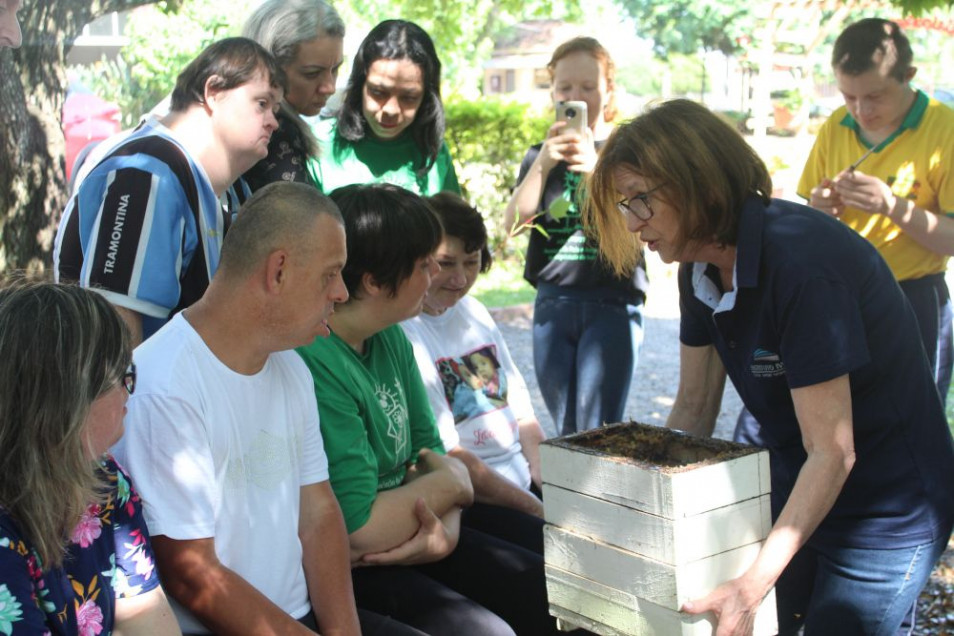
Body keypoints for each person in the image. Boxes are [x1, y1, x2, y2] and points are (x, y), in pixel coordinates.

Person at [584, 98, 954, 634]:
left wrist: (753, 582)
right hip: (799, 484)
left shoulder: (802, 265)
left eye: (641, 200)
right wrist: (645, 513)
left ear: (701, 184)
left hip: (889, 510)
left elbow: (834, 451)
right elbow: (693, 406)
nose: (633, 222)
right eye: (625, 205)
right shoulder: (700, 269)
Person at [114, 183, 397, 635]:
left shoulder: (290, 366)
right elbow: (192, 574)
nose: (342, 292)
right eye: (331, 274)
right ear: (278, 271)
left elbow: (318, 513)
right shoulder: (165, 384)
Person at [297, 183, 560, 635]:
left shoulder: (389, 335)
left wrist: (446, 531)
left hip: (421, 526)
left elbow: (431, 453)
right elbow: (361, 530)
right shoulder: (317, 361)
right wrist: (451, 488)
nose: (439, 276)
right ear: (375, 282)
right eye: (425, 265)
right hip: (363, 562)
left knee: (557, 581)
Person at [54, 37, 284, 345]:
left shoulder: (227, 189)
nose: (274, 122)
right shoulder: (146, 176)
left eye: (276, 109)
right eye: (262, 104)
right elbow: (119, 334)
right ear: (213, 92)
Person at [0, 280, 180, 635]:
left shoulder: (104, 478)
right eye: (124, 376)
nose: (131, 389)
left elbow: (146, 617)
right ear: (66, 399)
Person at [800, 18, 954, 405]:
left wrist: (893, 207)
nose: (861, 110)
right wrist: (820, 209)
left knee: (917, 412)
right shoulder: (837, 124)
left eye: (875, 96)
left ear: (909, 76)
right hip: (842, 293)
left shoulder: (945, 130)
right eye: (848, 96)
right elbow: (808, 216)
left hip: (913, 295)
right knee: (850, 413)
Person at [503, 37, 647, 437]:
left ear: (609, 89)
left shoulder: (626, 154)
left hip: (613, 302)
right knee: (566, 431)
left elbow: (640, 226)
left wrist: (595, 171)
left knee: (599, 429)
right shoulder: (539, 156)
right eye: (566, 88)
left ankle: (601, 499)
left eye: (588, 87)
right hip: (554, 303)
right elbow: (514, 224)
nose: (575, 96)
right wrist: (545, 163)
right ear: (553, 90)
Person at [401, 192, 547, 528]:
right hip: (473, 501)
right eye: (446, 263)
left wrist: (550, 484)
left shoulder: (475, 312)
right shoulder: (406, 332)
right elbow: (448, 456)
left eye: (471, 261)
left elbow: (523, 415)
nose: (461, 279)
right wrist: (536, 509)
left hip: (521, 486)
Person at [308, 20, 461, 196]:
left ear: (426, 99)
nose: (391, 110)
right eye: (378, 92)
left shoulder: (433, 151)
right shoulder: (318, 145)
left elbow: (453, 220)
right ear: (360, 86)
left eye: (409, 98)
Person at [241, 0, 345, 192]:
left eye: (336, 69)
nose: (329, 87)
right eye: (312, 73)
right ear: (271, 68)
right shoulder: (275, 130)